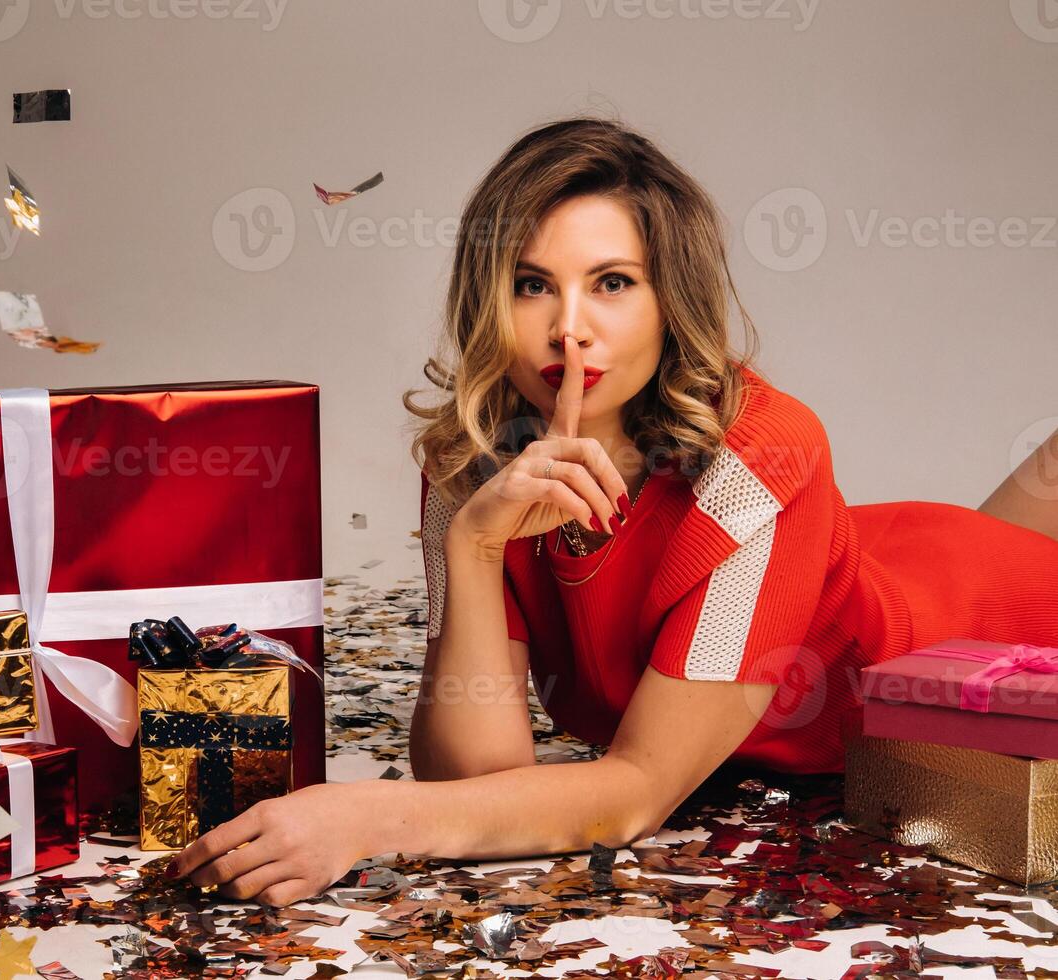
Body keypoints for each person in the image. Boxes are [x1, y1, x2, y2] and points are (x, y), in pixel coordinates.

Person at [165, 117, 1058, 906]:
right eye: (530, 284)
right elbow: (474, 778)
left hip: (958, 621)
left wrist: (357, 818)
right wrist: (475, 544)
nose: (569, 328)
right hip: (844, 553)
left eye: (614, 283)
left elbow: (633, 793)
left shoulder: (762, 460)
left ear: (673, 302)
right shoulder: (466, 466)